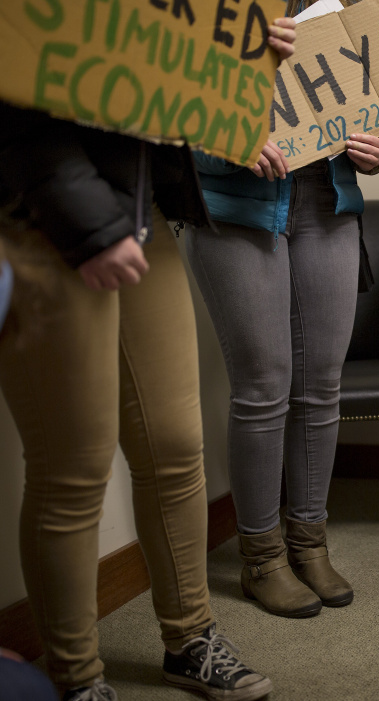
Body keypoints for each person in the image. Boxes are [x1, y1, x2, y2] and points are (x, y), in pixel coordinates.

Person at [0, 19, 297, 701]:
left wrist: (238, 73)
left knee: (174, 442)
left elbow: (149, 66)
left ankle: (190, 637)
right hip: (33, 210)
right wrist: (83, 219)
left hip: (138, 202)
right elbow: (19, 71)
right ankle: (75, 678)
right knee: (73, 464)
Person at [184, 0, 379, 618]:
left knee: (322, 384)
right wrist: (225, 132)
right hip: (233, 203)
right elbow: (161, 97)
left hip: (326, 199)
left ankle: (309, 541)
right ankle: (262, 557)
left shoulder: (348, 5)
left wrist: (376, 145)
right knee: (263, 387)